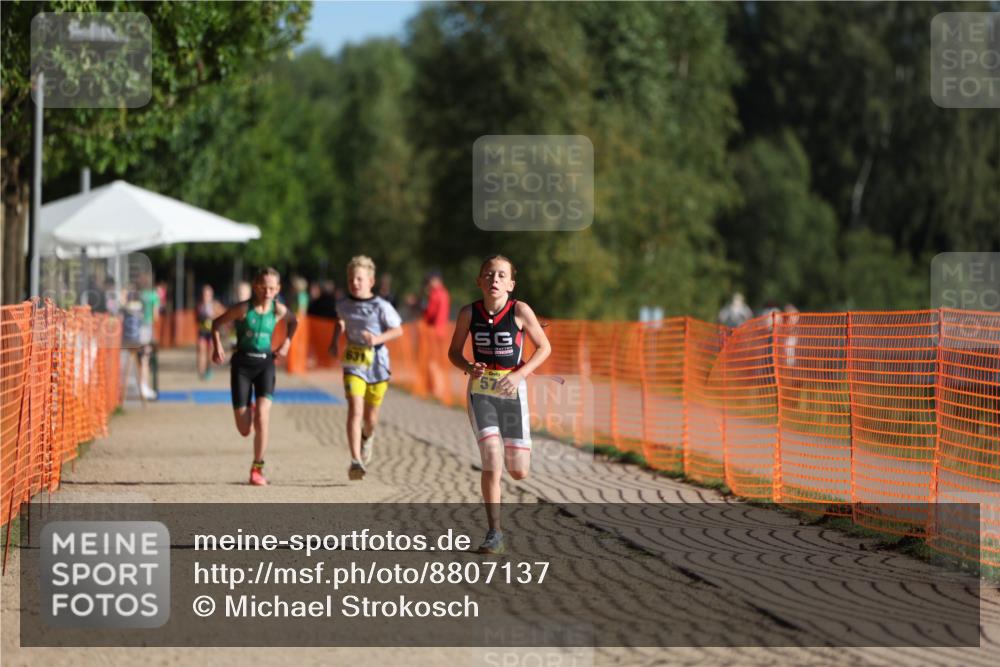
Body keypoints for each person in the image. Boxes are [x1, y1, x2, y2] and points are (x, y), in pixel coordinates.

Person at [448, 255, 551, 555]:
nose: (494, 279)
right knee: (491, 458)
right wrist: (468, 366)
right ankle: (495, 533)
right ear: (479, 281)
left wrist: (519, 375)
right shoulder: (468, 313)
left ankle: (519, 450)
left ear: (511, 283)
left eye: (501, 275)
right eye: (489, 274)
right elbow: (453, 352)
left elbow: (544, 347)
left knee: (518, 471)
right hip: (480, 394)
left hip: (512, 394)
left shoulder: (520, 310)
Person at [211, 267, 298, 486]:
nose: (267, 292)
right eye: (263, 287)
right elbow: (216, 323)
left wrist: (287, 342)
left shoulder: (278, 310)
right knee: (244, 429)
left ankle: (257, 468)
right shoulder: (243, 309)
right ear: (255, 286)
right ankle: (248, 409)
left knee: (263, 416)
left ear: (277, 289)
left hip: (265, 365)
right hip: (241, 366)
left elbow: (294, 321)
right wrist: (217, 346)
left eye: (272, 288)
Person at [329, 256, 403, 481]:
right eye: (351, 279)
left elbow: (398, 330)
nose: (355, 283)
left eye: (359, 279)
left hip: (378, 366)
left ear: (371, 281)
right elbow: (341, 321)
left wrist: (377, 338)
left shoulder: (381, 306)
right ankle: (355, 460)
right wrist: (334, 340)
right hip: (354, 364)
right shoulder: (342, 304)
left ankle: (367, 437)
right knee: (355, 410)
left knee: (370, 419)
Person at [138, 273, 160, 400]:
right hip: (147, 329)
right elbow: (155, 316)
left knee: (140, 358)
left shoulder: (139, 295)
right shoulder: (154, 296)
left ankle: (142, 385)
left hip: (137, 329)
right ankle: (143, 385)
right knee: (145, 359)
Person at [196, 284, 222, 380]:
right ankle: (201, 371)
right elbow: (197, 318)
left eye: (208, 294)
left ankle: (208, 369)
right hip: (202, 332)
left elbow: (223, 315)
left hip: (212, 333)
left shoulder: (215, 305)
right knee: (201, 350)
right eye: (204, 294)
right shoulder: (200, 305)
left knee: (209, 352)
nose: (206, 296)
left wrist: (214, 316)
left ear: (211, 295)